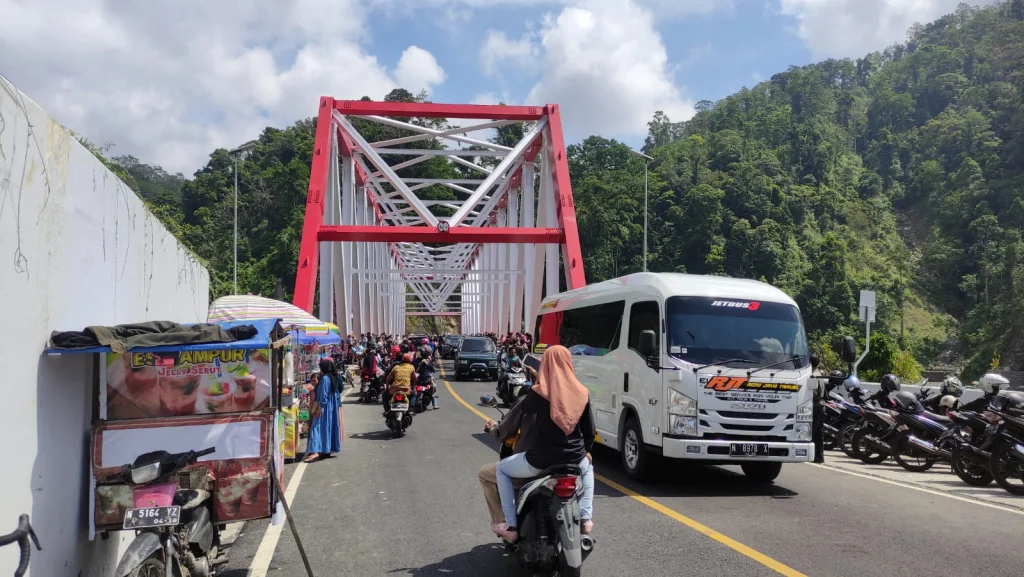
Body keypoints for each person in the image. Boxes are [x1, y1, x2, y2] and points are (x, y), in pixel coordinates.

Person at [485, 345, 595, 543]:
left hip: (542, 460)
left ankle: (511, 525)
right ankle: (586, 519)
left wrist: (538, 378)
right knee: (587, 469)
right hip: (574, 459)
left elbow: (522, 410)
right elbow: (589, 431)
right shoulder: (582, 393)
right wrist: (584, 451)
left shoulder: (539, 393)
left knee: (501, 470)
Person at [304, 357, 342, 463]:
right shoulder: (333, 377)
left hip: (324, 407)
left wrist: (320, 408)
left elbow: (324, 395)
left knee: (316, 428)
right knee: (328, 427)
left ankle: (315, 451)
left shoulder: (325, 379)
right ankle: (326, 449)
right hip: (332, 407)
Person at [809, 353, 825, 464]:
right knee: (819, 434)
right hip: (822, 405)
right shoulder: (819, 373)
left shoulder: (812, 375)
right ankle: (819, 457)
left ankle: (811, 456)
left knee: (811, 433)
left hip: (815, 406)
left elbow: (813, 393)